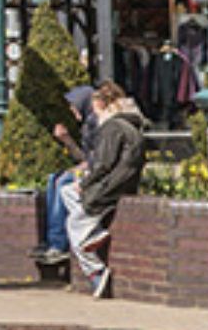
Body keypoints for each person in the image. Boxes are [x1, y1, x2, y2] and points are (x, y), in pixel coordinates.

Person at [65, 82, 146, 299]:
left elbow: (104, 164)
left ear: (101, 104)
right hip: (120, 183)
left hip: (110, 187)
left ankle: (96, 272)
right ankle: (95, 230)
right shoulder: (129, 124)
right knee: (67, 193)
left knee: (73, 226)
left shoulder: (113, 127)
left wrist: (85, 183)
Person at [35, 85, 98, 263]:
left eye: (74, 105)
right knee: (53, 178)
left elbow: (97, 158)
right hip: (88, 168)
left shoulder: (96, 123)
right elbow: (83, 157)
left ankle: (58, 243)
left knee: (63, 182)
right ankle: (50, 238)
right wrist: (67, 140)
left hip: (94, 173)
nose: (72, 110)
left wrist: (84, 167)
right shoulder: (87, 124)